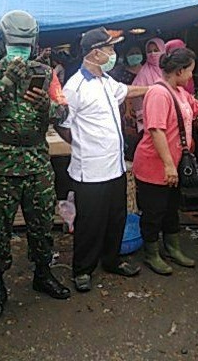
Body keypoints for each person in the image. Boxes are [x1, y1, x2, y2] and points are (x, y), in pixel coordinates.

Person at [0, 10, 71, 322]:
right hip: (2, 165)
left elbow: (63, 114)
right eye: (14, 44)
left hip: (37, 163)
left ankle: (43, 274)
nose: (19, 51)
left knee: (41, 225)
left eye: (24, 45)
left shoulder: (45, 72)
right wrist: (7, 80)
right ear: (2, 43)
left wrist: (46, 105)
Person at [132, 48, 198, 275]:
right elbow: (156, 131)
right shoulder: (158, 94)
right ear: (180, 70)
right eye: (190, 71)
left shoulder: (179, 92)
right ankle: (152, 254)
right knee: (154, 211)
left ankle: (173, 248)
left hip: (175, 163)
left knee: (171, 208)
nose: (192, 75)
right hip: (155, 165)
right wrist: (169, 164)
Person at [57, 27, 149, 293]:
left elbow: (127, 91)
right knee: (89, 222)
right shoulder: (74, 87)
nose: (113, 53)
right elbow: (64, 124)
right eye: (109, 49)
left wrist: (154, 88)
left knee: (115, 217)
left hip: (115, 166)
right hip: (91, 169)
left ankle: (111, 259)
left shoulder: (106, 81)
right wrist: (80, 144)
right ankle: (82, 269)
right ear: (96, 53)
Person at [132, 37, 166, 132]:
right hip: (151, 118)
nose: (153, 54)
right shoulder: (143, 72)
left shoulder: (168, 69)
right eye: (149, 51)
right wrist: (141, 114)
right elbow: (136, 95)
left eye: (156, 50)